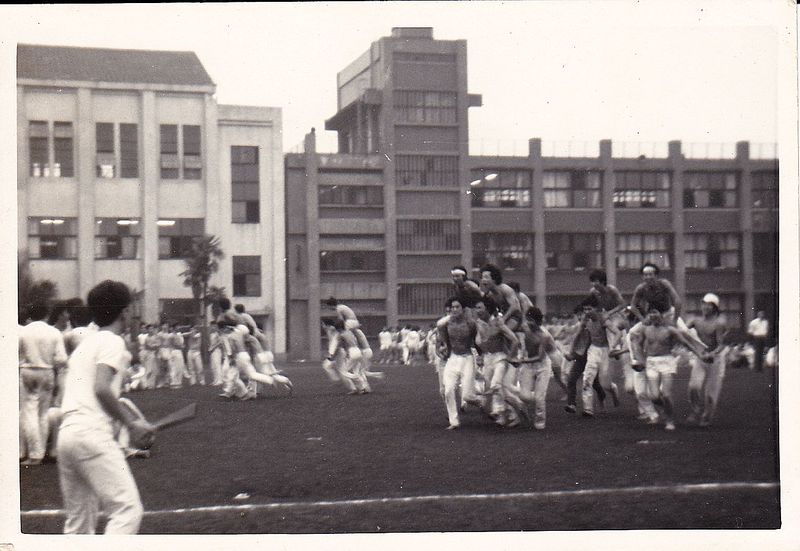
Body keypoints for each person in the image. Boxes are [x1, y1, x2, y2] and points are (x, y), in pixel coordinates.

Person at [57, 280, 155, 534]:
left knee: (78, 524)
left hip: (67, 435)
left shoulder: (84, 346)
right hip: (91, 433)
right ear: (125, 312)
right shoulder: (112, 341)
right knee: (127, 510)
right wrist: (131, 424)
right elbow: (101, 388)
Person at [630, 301, 707, 432]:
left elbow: (686, 343)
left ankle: (670, 420)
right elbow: (637, 344)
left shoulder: (670, 330)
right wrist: (640, 359)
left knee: (666, 394)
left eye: (655, 312)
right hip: (651, 363)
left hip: (667, 362)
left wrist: (699, 354)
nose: (653, 315)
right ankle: (667, 409)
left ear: (662, 314)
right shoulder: (645, 329)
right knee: (654, 396)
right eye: (650, 313)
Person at [19, 301, 68, 465]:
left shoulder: (23, 331)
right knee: (42, 414)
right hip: (47, 371)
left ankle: (34, 453)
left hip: (28, 370)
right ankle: (40, 452)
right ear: (47, 314)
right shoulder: (54, 332)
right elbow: (61, 359)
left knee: (29, 412)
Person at [509, 307, 558, 430]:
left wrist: (521, 361)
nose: (528, 323)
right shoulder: (525, 328)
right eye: (527, 319)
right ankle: (530, 399)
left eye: (531, 320)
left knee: (540, 398)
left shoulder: (544, 336)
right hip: (528, 365)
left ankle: (539, 421)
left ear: (538, 321)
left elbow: (540, 357)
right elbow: (510, 329)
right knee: (524, 396)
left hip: (542, 366)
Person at [474, 297, 520, 425]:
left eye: (479, 308)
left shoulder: (499, 322)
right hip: (488, 358)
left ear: (488, 309)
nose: (477, 311)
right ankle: (506, 415)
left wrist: (510, 357)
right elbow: (481, 342)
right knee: (496, 387)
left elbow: (515, 340)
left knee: (496, 384)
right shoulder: (479, 323)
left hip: (500, 357)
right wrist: (481, 355)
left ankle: (498, 410)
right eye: (476, 308)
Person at [686, 294, 729, 427]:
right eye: (704, 304)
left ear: (715, 307)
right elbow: (683, 331)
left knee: (710, 394)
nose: (705, 307)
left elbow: (721, 345)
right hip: (701, 357)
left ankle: (707, 416)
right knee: (693, 387)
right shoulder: (695, 320)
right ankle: (696, 410)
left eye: (709, 305)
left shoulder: (719, 323)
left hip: (715, 359)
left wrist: (713, 354)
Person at [439, 297, 480, 430]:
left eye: (457, 307)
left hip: (467, 358)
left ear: (463, 309)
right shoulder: (446, 323)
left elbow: (476, 341)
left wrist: (481, 356)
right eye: (453, 307)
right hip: (453, 358)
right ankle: (454, 421)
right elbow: (440, 330)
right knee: (448, 390)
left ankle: (485, 404)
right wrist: (445, 346)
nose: (455, 309)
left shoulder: (470, 323)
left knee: (467, 396)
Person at [578, 295, 622, 418]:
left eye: (589, 309)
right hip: (593, 350)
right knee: (587, 378)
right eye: (585, 309)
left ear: (596, 308)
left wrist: (613, 346)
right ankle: (588, 409)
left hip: (605, 352)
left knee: (605, 384)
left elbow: (617, 333)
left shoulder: (603, 319)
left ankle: (613, 389)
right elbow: (580, 333)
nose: (587, 312)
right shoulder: (585, 320)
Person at [479, 264, 522, 330]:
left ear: (494, 279)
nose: (483, 280)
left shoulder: (505, 289)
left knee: (502, 330)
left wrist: (504, 318)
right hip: (503, 316)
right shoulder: (489, 294)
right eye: (482, 277)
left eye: (486, 277)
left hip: (515, 316)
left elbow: (514, 306)